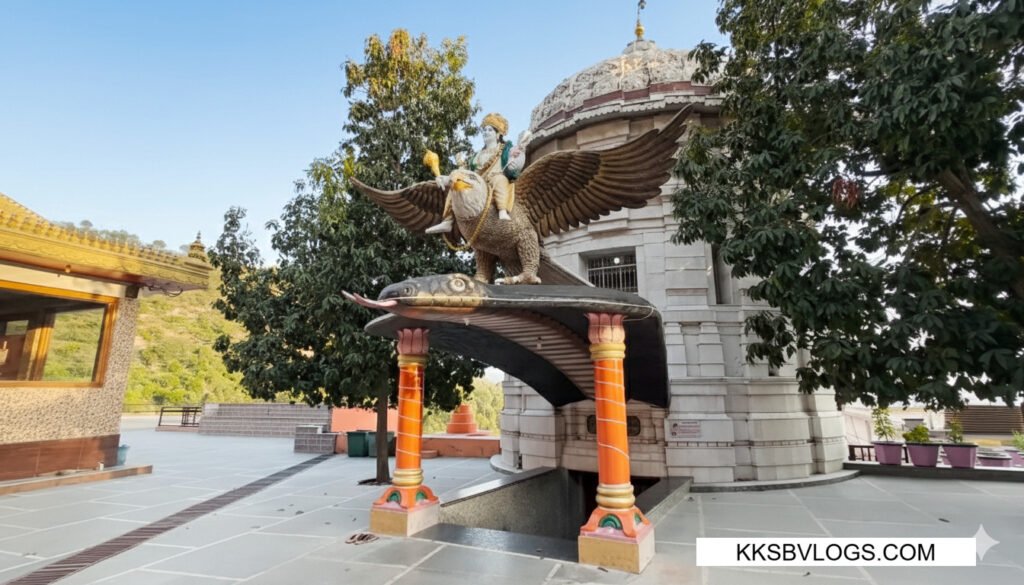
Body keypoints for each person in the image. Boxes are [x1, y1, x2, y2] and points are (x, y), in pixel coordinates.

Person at [425, 112, 526, 234]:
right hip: (478, 184)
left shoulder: (504, 149)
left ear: (498, 134)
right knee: (455, 182)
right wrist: (459, 166)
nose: (486, 132)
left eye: (490, 130)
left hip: (495, 181)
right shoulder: (477, 155)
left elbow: (514, 164)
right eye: (484, 130)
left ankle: (502, 211)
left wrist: (514, 157)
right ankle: (448, 219)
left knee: (500, 179)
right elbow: (469, 172)